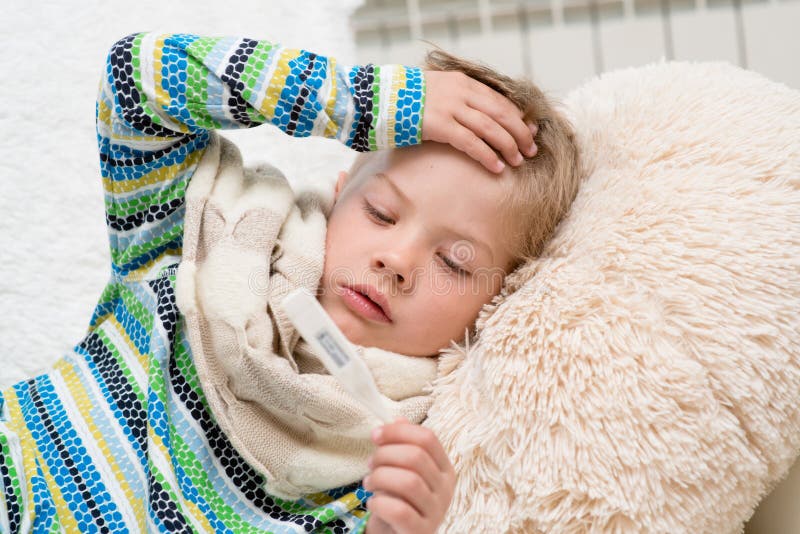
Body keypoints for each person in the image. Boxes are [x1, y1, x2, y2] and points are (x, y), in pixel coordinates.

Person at [0, 31, 579, 534]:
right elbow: (138, 76)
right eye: (380, 212)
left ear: (502, 298)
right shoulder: (193, 238)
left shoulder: (396, 463)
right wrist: (368, 102)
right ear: (343, 187)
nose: (396, 260)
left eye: (454, 261)